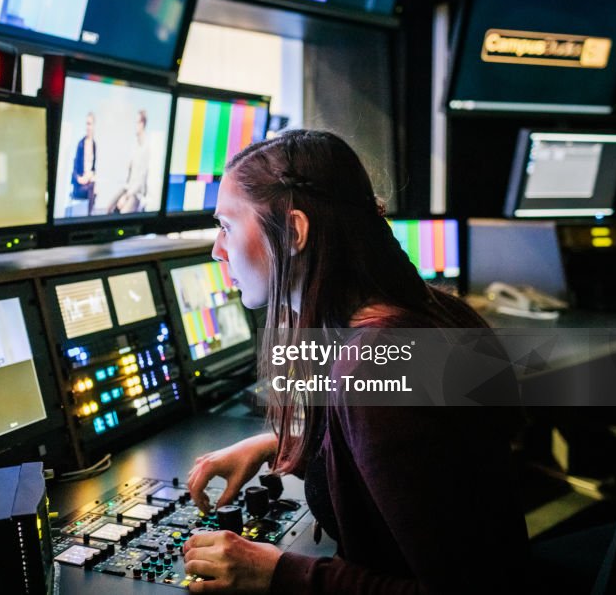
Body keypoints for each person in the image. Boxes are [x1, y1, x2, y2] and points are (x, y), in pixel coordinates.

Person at [183, 130, 528, 594]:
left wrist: (276, 572)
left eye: (226, 225)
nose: (216, 249)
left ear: (294, 232)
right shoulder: (419, 313)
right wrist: (277, 444)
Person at [107, 110, 150, 214]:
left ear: (142, 124)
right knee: (109, 208)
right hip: (127, 188)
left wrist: (126, 197)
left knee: (123, 212)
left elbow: (140, 181)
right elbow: (129, 172)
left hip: (136, 194)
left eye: (136, 122)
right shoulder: (134, 146)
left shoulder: (146, 148)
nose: (134, 126)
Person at [69, 112, 97, 215]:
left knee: (94, 186)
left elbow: (93, 168)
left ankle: (90, 214)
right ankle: (88, 216)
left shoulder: (94, 144)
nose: (88, 127)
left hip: (89, 183)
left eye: (90, 124)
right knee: (92, 187)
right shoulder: (80, 144)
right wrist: (80, 179)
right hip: (79, 186)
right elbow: (74, 170)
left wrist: (91, 175)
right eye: (87, 124)